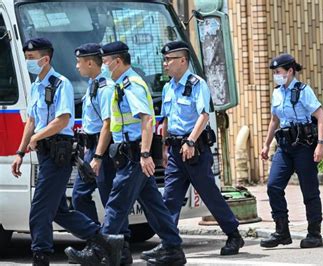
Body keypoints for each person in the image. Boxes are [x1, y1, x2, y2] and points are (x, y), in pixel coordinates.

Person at [64, 41, 186, 266]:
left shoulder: (132, 85)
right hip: (127, 153)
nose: (105, 66)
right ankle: (172, 248)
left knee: (116, 203)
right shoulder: (121, 85)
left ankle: (101, 250)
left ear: (118, 61)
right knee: (153, 204)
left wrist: (145, 154)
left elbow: (147, 119)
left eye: (107, 62)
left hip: (134, 155)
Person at [10, 38, 123, 266]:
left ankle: (40, 255)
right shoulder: (35, 86)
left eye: (31, 58)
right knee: (60, 211)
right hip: (43, 153)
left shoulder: (61, 84)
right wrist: (20, 152)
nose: (28, 62)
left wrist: (36, 137)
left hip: (58, 153)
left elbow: (63, 120)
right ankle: (104, 240)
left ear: (45, 59)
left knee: (40, 208)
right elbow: (31, 121)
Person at [141, 40, 244, 262]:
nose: (165, 63)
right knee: (170, 198)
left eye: (169, 59)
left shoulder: (198, 85)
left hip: (195, 150)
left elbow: (204, 115)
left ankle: (233, 234)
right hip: (176, 152)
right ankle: (169, 244)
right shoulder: (168, 87)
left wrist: (190, 141)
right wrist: (166, 146)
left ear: (182, 61)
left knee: (209, 195)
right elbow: (166, 118)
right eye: (165, 59)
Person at [72, 43, 133, 264]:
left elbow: (108, 124)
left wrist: (97, 156)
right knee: (79, 196)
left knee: (110, 200)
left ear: (90, 62)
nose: (77, 66)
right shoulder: (92, 85)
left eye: (79, 61)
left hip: (103, 150)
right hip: (91, 148)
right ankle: (98, 241)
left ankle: (121, 249)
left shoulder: (106, 88)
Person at [259, 53, 323, 249]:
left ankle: (314, 233)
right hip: (284, 147)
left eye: (278, 72)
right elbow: (275, 120)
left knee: (309, 190)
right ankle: (282, 232)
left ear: (290, 71)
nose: (276, 76)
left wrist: (320, 144)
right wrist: (266, 144)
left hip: (305, 146)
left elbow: (320, 116)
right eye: (274, 73)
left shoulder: (304, 91)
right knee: (273, 186)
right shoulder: (277, 92)